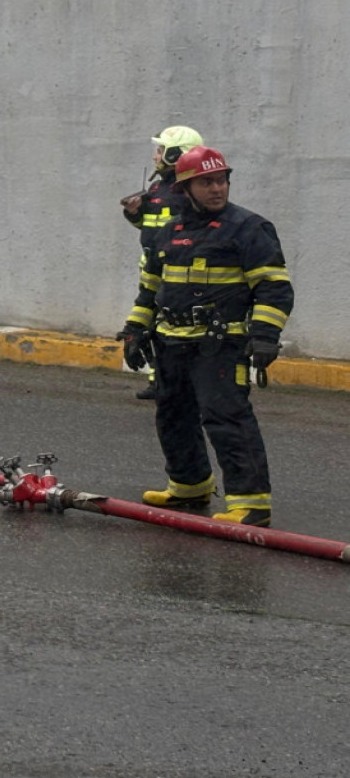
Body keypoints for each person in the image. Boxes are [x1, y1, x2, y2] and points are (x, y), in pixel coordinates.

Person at [117, 146, 293, 528]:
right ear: (184, 188)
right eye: (207, 182)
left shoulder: (249, 228)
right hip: (171, 342)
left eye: (222, 180)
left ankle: (251, 502)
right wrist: (134, 329)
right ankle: (189, 485)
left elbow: (274, 288)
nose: (217, 189)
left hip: (221, 344)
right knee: (173, 416)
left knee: (226, 418)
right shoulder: (166, 232)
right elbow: (150, 289)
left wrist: (264, 336)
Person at [120, 125, 205, 399]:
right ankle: (158, 381)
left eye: (161, 150)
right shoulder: (157, 186)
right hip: (151, 267)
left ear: (175, 154)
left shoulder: (189, 191)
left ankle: (177, 384)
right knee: (152, 325)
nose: (156, 156)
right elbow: (149, 227)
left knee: (168, 324)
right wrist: (134, 214)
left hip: (177, 270)